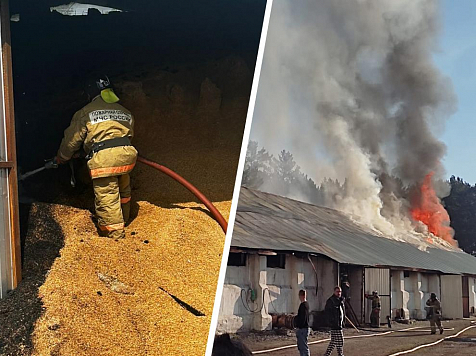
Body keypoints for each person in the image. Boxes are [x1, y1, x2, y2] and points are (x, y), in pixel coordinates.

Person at [55, 74, 137, 239]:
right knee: (123, 190)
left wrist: (62, 157)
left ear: (89, 94)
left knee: (107, 195)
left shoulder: (85, 113)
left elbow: (71, 140)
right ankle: (125, 219)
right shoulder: (124, 111)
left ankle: (115, 234)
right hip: (126, 156)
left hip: (105, 160)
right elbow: (126, 135)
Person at [324, 286, 345, 356]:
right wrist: (331, 322)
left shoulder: (340, 301)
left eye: (340, 292)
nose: (339, 293)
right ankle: (340, 354)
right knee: (340, 341)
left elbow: (342, 313)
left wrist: (343, 321)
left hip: (339, 323)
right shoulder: (331, 301)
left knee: (333, 341)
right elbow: (327, 313)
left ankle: (327, 354)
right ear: (334, 292)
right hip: (335, 324)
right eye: (337, 291)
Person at [294, 289, 311, 356]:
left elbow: (302, 318)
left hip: (303, 329)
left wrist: (298, 326)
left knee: (303, 347)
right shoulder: (306, 305)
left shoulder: (303, 305)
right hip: (305, 328)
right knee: (302, 347)